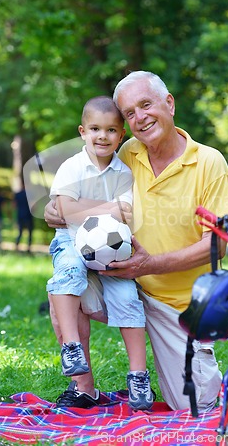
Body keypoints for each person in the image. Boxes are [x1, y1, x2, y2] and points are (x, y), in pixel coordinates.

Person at [44, 71, 228, 412]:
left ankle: (165, 371)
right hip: (117, 279)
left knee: (196, 405)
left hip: (176, 305)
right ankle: (83, 388)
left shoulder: (209, 162)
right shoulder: (126, 151)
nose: (140, 118)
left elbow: (218, 245)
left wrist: (149, 265)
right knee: (64, 284)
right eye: (130, 113)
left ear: (169, 103)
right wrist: (56, 207)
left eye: (146, 105)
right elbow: (79, 183)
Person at [47, 95, 153, 411]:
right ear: (82, 131)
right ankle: (71, 347)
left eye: (110, 130)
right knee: (69, 273)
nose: (102, 136)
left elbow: (127, 214)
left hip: (112, 249)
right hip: (71, 243)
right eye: (95, 129)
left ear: (121, 135)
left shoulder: (123, 173)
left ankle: (138, 375)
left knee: (127, 298)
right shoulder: (71, 167)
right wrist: (107, 209)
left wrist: (81, 209)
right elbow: (65, 210)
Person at [14, 187, 34, 253]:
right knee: (30, 233)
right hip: (28, 215)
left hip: (20, 215)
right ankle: (28, 247)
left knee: (20, 232)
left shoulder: (18, 194)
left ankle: (16, 246)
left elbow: (14, 205)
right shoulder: (30, 194)